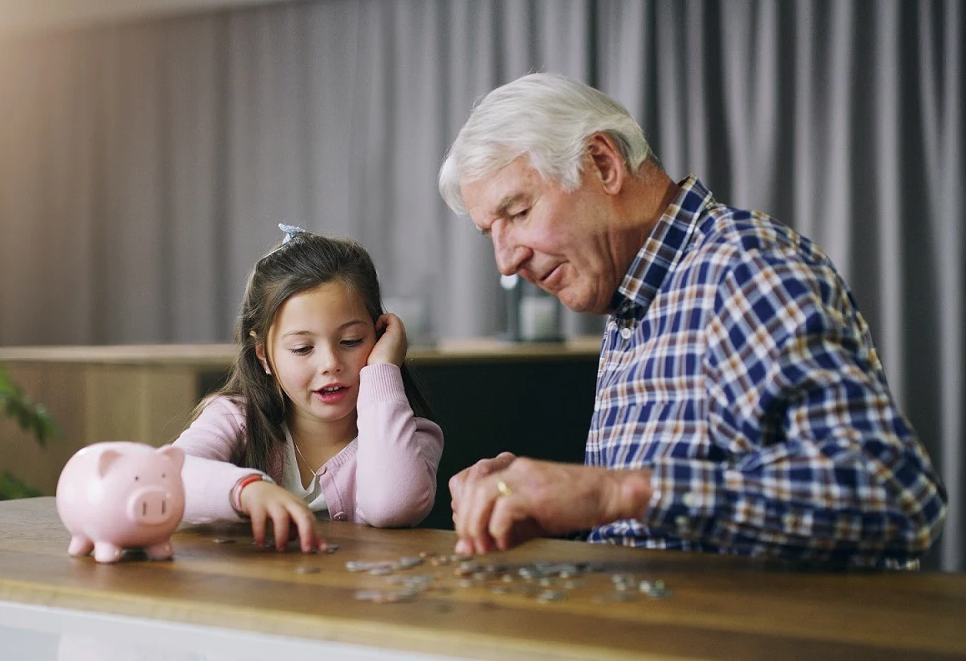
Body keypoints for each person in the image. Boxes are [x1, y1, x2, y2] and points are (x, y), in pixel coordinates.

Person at [438, 73, 947, 569]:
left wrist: (610, 491)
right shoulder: (631, 295)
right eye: (491, 233)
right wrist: (547, 508)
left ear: (602, 163)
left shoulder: (745, 269)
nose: (505, 262)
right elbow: (663, 531)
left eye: (519, 211)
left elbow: (894, 495)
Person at [174, 224, 443, 552]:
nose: (330, 363)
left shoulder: (406, 437)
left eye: (351, 341)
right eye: (302, 349)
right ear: (264, 357)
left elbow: (393, 505)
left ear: (378, 336)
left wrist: (384, 369)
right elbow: (170, 477)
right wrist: (245, 490)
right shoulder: (236, 418)